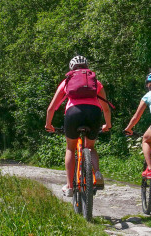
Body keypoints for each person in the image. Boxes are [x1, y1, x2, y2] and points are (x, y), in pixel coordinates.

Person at [45, 55, 112, 197]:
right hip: (94, 113)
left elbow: (51, 108)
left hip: (73, 113)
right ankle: (97, 173)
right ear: (87, 67)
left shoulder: (67, 81)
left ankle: (69, 186)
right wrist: (108, 125)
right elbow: (106, 108)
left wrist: (48, 124)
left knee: (70, 148)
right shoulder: (95, 82)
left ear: (71, 68)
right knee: (91, 147)